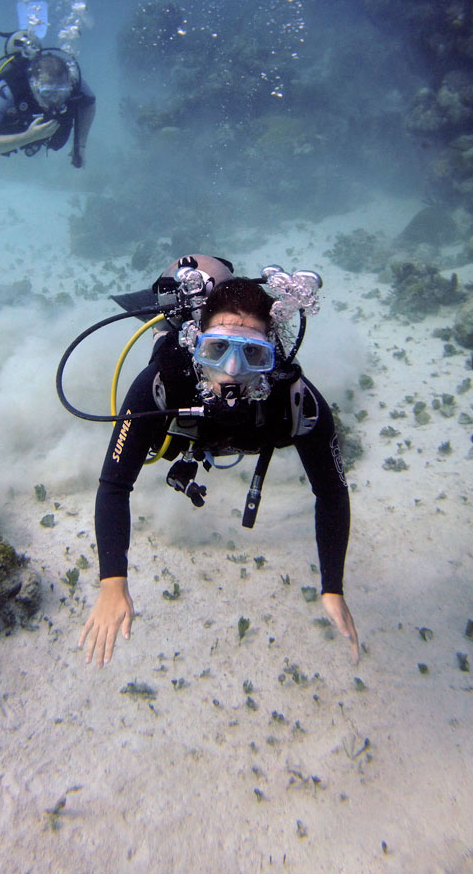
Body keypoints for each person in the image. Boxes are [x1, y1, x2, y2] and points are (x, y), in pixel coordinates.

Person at [75, 254, 360, 667]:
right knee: (182, 285)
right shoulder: (163, 383)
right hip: (184, 413)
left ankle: (211, 282)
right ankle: (191, 284)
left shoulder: (297, 400)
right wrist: (111, 582)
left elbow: (332, 491)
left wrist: (332, 585)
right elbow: (114, 485)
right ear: (195, 343)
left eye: (254, 356)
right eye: (217, 349)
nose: (231, 372)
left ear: (272, 357)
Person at [0, 23, 96, 167]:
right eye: (47, 93)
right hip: (13, 111)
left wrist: (80, 146)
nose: (54, 100)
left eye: (61, 93)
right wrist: (29, 137)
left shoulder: (74, 82)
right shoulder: (9, 89)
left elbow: (89, 104)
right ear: (34, 86)